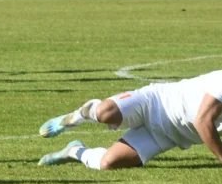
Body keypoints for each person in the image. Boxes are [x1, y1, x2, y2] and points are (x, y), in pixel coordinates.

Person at [38, 70, 222, 170]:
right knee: (105, 113)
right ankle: (78, 116)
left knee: (107, 163)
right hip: (155, 102)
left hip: (170, 136)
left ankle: (73, 151)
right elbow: (202, 121)